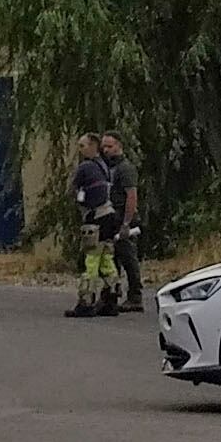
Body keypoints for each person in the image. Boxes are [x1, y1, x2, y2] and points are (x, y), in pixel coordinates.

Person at [68, 135, 117, 315]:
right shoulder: (104, 166)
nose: (80, 149)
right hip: (109, 216)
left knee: (91, 259)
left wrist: (80, 204)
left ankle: (86, 302)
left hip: (94, 217)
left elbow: (73, 189)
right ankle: (110, 299)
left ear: (92, 146)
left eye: (82, 145)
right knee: (106, 258)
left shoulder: (85, 167)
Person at [101, 133, 144, 313]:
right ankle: (111, 295)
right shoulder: (108, 168)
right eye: (104, 147)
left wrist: (127, 223)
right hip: (112, 218)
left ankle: (135, 296)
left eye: (109, 146)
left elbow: (131, 196)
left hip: (123, 218)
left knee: (128, 258)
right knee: (112, 258)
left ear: (119, 146)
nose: (105, 150)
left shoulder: (125, 168)